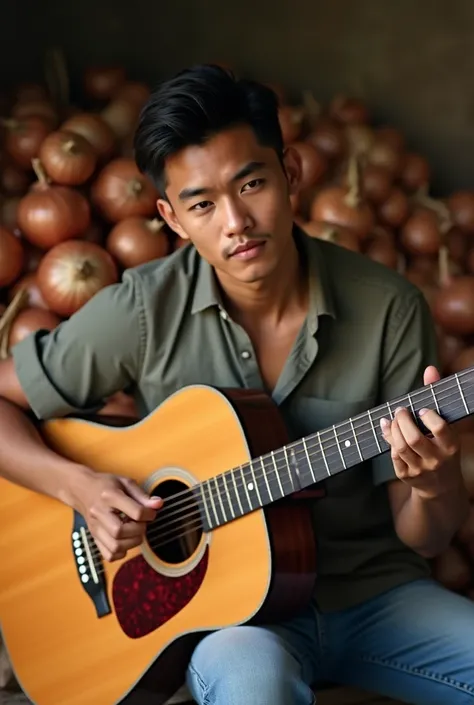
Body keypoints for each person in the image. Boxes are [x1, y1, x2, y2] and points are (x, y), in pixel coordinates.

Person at [0, 64, 473, 705]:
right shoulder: (144, 310)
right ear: (170, 217)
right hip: (235, 624)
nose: (235, 222)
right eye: (201, 204)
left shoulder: (390, 308)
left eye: (251, 183)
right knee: (252, 686)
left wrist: (433, 478)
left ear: (292, 173)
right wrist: (79, 487)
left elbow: (428, 536)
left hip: (373, 596)